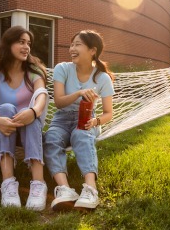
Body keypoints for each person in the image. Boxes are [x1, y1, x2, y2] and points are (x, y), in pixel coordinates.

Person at [44, 30, 114, 211]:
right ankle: (65, 189)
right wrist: (79, 93)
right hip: (61, 118)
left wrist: (96, 122)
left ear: (92, 50)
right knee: (51, 138)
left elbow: (108, 113)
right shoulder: (63, 69)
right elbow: (59, 102)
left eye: (77, 45)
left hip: (86, 118)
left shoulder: (102, 78)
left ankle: (91, 189)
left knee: (81, 136)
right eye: (71, 45)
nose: (72, 49)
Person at [0, 26, 48, 210]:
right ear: (8, 44)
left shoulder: (34, 72)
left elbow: (41, 96)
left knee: (31, 114)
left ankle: (38, 184)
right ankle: (8, 184)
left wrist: (33, 112)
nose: (26, 47)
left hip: (28, 131)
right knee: (7, 108)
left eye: (29, 43)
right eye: (21, 42)